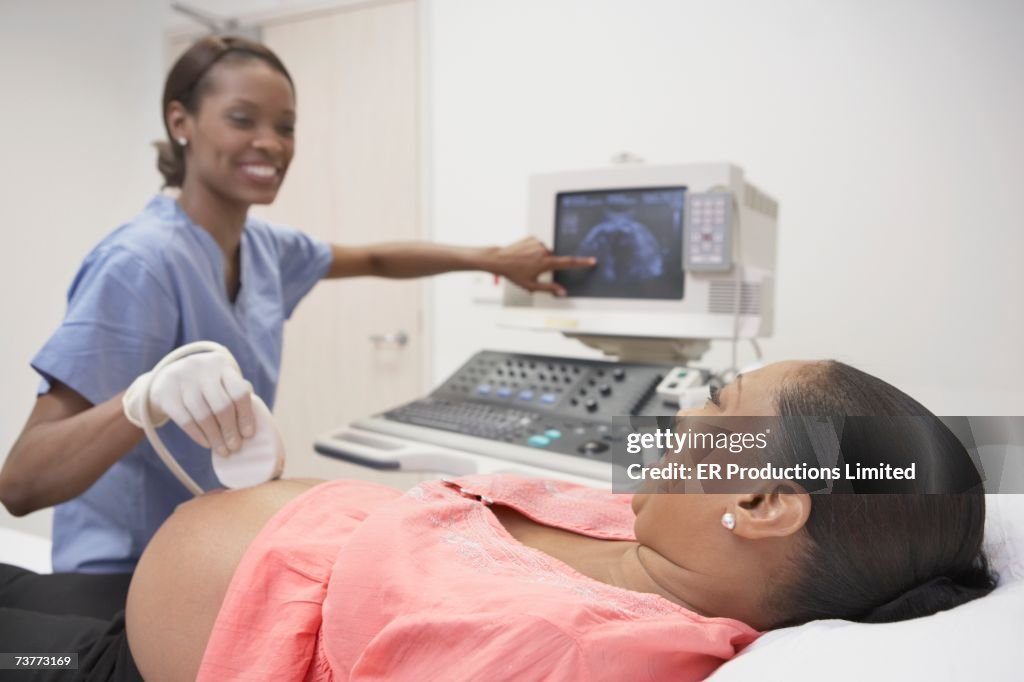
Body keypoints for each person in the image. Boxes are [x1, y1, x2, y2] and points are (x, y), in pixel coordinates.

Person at [0, 35, 594, 577]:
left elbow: (377, 259)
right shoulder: (140, 264)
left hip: (212, 555)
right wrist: (144, 399)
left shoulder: (264, 248)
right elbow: (21, 482)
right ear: (180, 121)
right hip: (125, 578)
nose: (271, 143)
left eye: (286, 126)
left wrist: (494, 259)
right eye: (242, 120)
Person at [0, 359, 997, 681]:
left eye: (715, 402)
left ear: (763, 500)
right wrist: (264, 482)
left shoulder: (564, 654)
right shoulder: (651, 535)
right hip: (184, 577)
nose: (681, 413)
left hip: (126, 659)